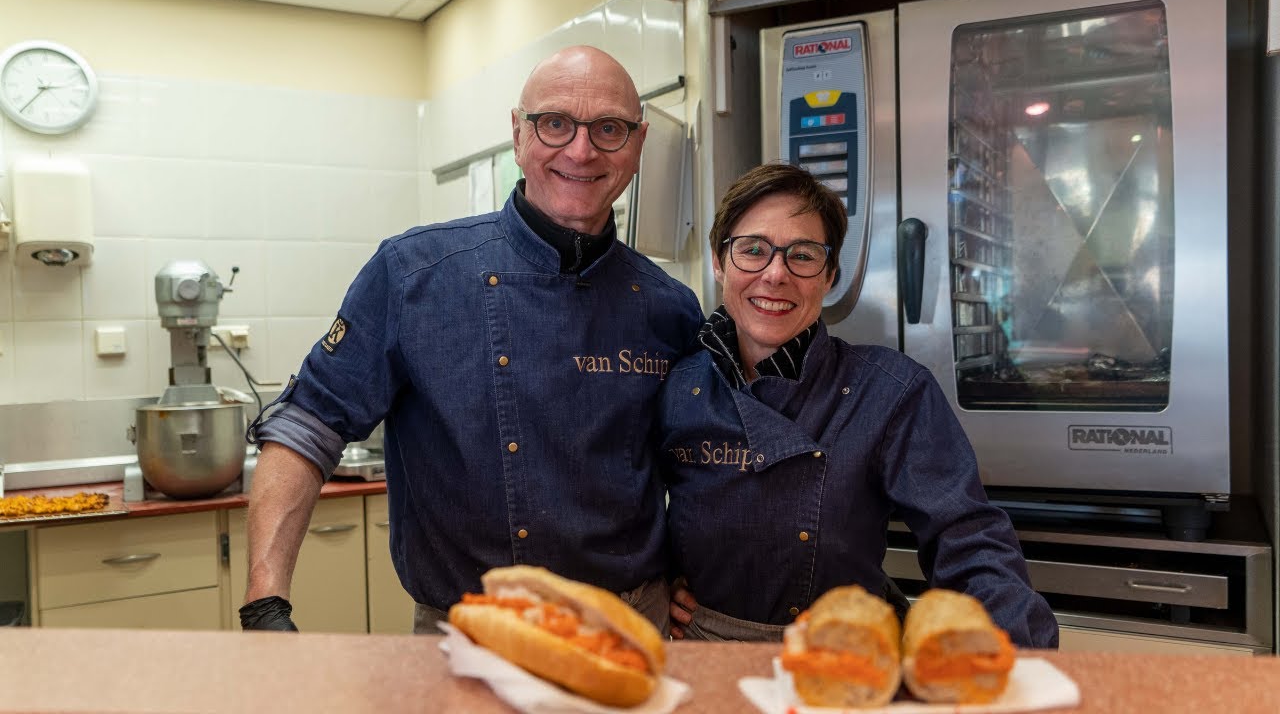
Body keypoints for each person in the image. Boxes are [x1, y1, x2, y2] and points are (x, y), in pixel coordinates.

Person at [238, 46, 703, 634]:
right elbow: (307, 426)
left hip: (633, 628)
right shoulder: (412, 273)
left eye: (609, 129)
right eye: (555, 123)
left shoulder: (668, 305)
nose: (581, 151)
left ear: (637, 146)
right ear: (517, 133)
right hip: (463, 636)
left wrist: (698, 575)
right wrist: (264, 603)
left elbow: (700, 464)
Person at [659, 163, 1058, 648]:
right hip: (706, 650)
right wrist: (660, 579)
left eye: (802, 255)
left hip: (849, 656)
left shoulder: (888, 390)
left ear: (830, 277)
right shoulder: (676, 384)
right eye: (753, 250)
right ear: (720, 263)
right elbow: (620, 503)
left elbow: (967, 535)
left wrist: (1013, 658)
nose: (776, 273)